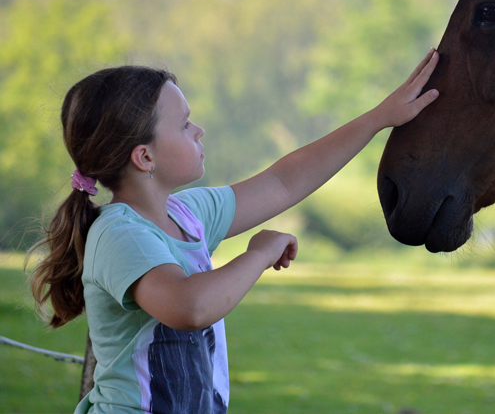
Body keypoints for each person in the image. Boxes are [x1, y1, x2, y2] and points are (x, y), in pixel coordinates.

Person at [26, 49, 439, 413]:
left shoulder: (187, 214)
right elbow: (191, 308)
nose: (199, 131)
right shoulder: (119, 235)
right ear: (145, 156)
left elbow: (284, 181)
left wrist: (379, 119)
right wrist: (257, 254)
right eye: (185, 125)